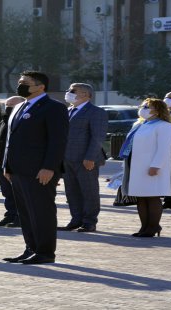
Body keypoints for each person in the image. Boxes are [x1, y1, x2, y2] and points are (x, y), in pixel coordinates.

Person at [3, 71, 68, 265]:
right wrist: (7, 165)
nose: (20, 85)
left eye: (26, 83)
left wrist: (49, 167)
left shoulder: (53, 107)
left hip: (39, 170)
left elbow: (58, 141)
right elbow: (10, 140)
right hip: (17, 170)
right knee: (25, 212)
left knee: (41, 211)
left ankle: (45, 251)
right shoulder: (19, 107)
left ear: (41, 86)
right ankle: (30, 248)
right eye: (20, 82)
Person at [119, 98, 171, 238]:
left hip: (152, 166)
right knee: (141, 197)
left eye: (146, 106)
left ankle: (153, 226)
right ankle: (144, 227)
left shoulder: (164, 126)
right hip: (136, 166)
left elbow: (163, 149)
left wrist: (156, 165)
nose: (142, 109)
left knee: (152, 196)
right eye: (142, 106)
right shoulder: (140, 124)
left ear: (157, 110)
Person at [59, 83, 108, 233]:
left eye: (73, 91)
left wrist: (90, 157)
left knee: (89, 191)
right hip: (67, 158)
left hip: (85, 159)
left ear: (86, 94)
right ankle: (76, 219)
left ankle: (89, 221)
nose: (68, 93)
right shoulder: (68, 111)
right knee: (72, 191)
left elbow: (97, 137)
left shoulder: (96, 112)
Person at [0, 96, 23, 227]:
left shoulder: (22, 120)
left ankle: (20, 217)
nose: (8, 107)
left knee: (18, 192)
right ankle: (10, 215)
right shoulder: (3, 120)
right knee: (7, 192)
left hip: (15, 162)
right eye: (7, 105)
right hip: (1, 161)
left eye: (12, 105)